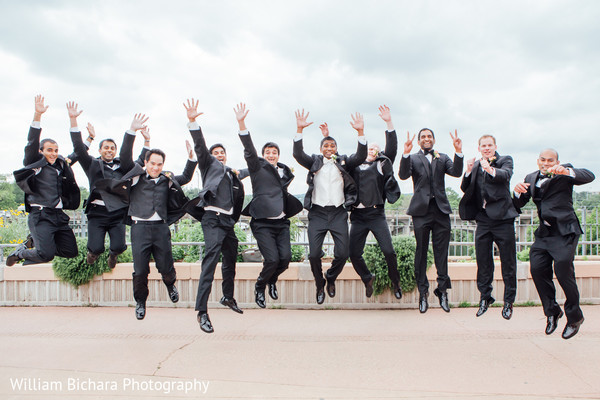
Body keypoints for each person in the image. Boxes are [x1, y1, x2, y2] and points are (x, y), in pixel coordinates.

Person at [95, 122, 197, 320]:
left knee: (166, 267)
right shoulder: (135, 177)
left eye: (159, 164)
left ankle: (170, 284)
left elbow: (185, 176)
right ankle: (140, 301)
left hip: (160, 229)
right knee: (140, 270)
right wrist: (131, 132)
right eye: (152, 163)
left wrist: (191, 158)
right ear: (146, 163)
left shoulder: (167, 180)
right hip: (139, 229)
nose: (156, 167)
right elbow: (124, 156)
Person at [513, 149, 594, 339]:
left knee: (563, 270)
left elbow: (589, 175)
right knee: (538, 269)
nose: (546, 163)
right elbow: (518, 205)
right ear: (538, 161)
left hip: (565, 232)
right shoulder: (531, 177)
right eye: (543, 160)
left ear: (557, 161)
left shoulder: (565, 172)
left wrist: (566, 172)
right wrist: (516, 192)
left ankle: (574, 318)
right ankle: (552, 312)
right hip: (544, 234)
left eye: (550, 160)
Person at [293, 109, 367, 304]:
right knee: (314, 254)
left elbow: (360, 155)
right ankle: (319, 284)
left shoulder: (343, 162)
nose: (329, 148)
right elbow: (297, 153)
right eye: (326, 145)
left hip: (338, 213)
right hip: (317, 213)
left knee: (343, 253)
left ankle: (331, 277)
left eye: (332, 145)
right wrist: (299, 129)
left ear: (336, 148)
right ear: (321, 148)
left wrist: (360, 132)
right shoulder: (314, 162)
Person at [184, 98, 245, 334]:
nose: (219, 155)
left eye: (222, 153)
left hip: (227, 222)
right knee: (210, 262)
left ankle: (227, 297)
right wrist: (192, 122)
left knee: (231, 258)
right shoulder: (209, 165)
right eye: (216, 152)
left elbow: (253, 167)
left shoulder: (233, 175)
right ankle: (202, 312)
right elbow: (200, 146)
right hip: (211, 219)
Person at [234, 103, 303, 308]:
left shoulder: (285, 172)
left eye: (274, 152)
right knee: (271, 260)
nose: (271, 155)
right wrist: (241, 124)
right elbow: (249, 149)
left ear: (278, 155)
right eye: (268, 152)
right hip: (262, 222)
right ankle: (260, 285)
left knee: (285, 260)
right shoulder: (257, 167)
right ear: (263, 155)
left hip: (281, 223)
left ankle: (272, 280)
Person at [69, 102, 150, 269]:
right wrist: (73, 121)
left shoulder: (124, 166)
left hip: (117, 212)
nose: (109, 150)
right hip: (97, 213)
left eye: (112, 148)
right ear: (100, 150)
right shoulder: (92, 164)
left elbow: (141, 161)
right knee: (96, 246)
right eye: (106, 147)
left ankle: (113, 255)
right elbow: (78, 148)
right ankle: (93, 254)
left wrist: (147, 141)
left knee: (120, 246)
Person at [8, 95, 80, 266]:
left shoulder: (61, 165)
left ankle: (37, 244)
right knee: (46, 255)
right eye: (49, 150)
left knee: (71, 251)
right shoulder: (35, 162)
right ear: (41, 151)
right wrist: (37, 115)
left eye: (56, 150)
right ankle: (21, 252)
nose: (53, 153)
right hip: (41, 215)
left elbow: (76, 154)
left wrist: (87, 137)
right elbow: (31, 141)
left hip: (58, 216)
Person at [399, 128, 463, 313]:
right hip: (421, 211)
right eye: (423, 137)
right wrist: (405, 153)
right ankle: (423, 293)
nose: (427, 139)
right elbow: (403, 175)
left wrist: (458, 151)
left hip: (441, 210)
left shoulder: (442, 157)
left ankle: (442, 291)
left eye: (429, 136)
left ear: (434, 139)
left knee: (441, 253)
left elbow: (457, 172)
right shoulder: (413, 158)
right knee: (421, 252)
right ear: (419, 141)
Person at [459, 135, 518, 319]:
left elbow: (505, 175)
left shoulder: (505, 161)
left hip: (503, 219)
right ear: (479, 148)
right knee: (483, 260)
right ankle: (485, 297)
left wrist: (490, 169)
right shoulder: (476, 164)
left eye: (489, 145)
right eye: (483, 146)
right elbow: (465, 187)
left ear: (495, 146)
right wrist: (468, 171)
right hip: (483, 218)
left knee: (508, 262)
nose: (486, 148)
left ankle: (508, 301)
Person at [348, 105, 402, 299]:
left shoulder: (381, 165)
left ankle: (395, 281)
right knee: (353, 254)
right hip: (358, 217)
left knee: (389, 251)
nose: (372, 151)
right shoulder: (353, 165)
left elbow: (392, 149)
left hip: (376, 214)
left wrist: (389, 123)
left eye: (375, 150)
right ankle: (367, 277)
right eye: (370, 148)